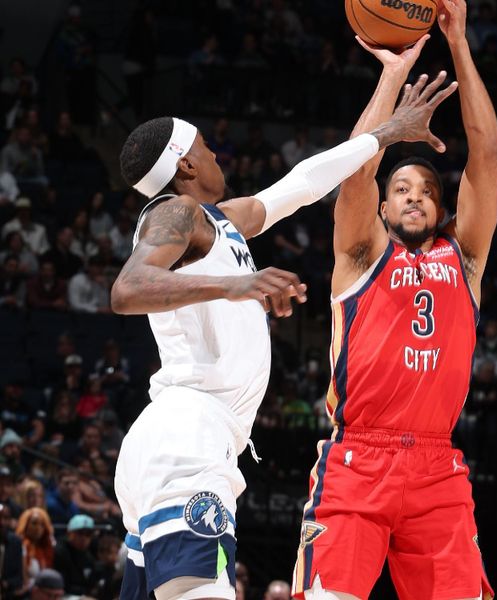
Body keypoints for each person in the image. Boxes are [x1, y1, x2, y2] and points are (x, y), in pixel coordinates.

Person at [110, 68, 456, 600]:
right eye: (207, 147)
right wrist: (237, 286)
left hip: (180, 440)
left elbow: (302, 184)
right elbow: (127, 289)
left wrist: (387, 125)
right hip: (188, 436)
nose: (217, 155)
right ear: (186, 164)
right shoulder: (176, 213)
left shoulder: (216, 222)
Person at [291, 2, 497, 598]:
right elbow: (355, 171)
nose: (413, 197)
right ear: (383, 209)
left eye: (427, 190)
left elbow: (486, 153)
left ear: (442, 207)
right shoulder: (361, 255)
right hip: (358, 460)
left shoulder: (465, 259)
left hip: (438, 469)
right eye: (401, 189)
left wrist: (457, 41)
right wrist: (393, 73)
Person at [53, 514, 96, 597]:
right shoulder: (60, 552)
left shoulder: (89, 555)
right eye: (80, 533)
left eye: (88, 534)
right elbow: (63, 585)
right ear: (69, 533)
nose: (84, 538)